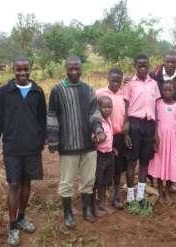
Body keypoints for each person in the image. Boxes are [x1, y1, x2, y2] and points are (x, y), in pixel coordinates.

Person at [0, 56, 47, 246]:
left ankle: (22, 217)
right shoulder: (4, 92)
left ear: (30, 69)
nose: (22, 73)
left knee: (26, 183)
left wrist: (41, 142)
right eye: (18, 70)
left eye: (25, 69)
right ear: (13, 70)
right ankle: (13, 226)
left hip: (31, 149)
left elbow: (42, 120)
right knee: (14, 184)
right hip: (12, 148)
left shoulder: (38, 92)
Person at [47, 56, 106, 228]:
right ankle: (68, 213)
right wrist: (53, 140)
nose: (74, 72)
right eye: (71, 68)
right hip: (68, 145)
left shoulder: (88, 89)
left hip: (89, 144)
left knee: (88, 179)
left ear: (81, 68)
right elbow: (52, 116)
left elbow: (94, 114)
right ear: (65, 69)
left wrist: (98, 130)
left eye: (77, 68)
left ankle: (86, 209)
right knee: (67, 181)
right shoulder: (57, 90)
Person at [123, 54, 161, 207]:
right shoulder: (130, 84)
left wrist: (156, 132)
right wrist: (126, 128)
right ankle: (130, 197)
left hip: (149, 125)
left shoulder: (153, 84)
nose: (143, 68)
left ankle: (140, 197)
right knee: (132, 161)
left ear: (149, 66)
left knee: (145, 162)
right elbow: (126, 105)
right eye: (140, 66)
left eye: (146, 65)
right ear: (135, 66)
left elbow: (156, 108)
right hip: (134, 124)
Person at [148, 81, 176, 203]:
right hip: (160, 138)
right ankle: (160, 190)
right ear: (161, 91)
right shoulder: (158, 104)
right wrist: (155, 138)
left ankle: (168, 191)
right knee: (159, 164)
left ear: (174, 91)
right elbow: (155, 122)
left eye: (170, 90)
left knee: (170, 164)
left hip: (172, 139)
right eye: (164, 90)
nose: (167, 92)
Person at [96, 68, 127, 210]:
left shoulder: (124, 93)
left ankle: (115, 194)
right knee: (101, 168)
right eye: (113, 80)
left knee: (117, 167)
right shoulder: (99, 93)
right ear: (108, 79)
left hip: (119, 136)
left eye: (118, 81)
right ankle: (99, 195)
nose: (116, 83)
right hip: (104, 137)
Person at [93, 96, 116, 216]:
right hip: (99, 155)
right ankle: (94, 207)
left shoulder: (109, 120)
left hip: (109, 155)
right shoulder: (97, 123)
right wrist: (98, 140)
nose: (107, 109)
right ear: (99, 108)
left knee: (106, 181)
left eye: (109, 107)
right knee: (97, 181)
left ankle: (103, 204)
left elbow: (109, 138)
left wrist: (113, 148)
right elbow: (93, 140)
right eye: (104, 107)